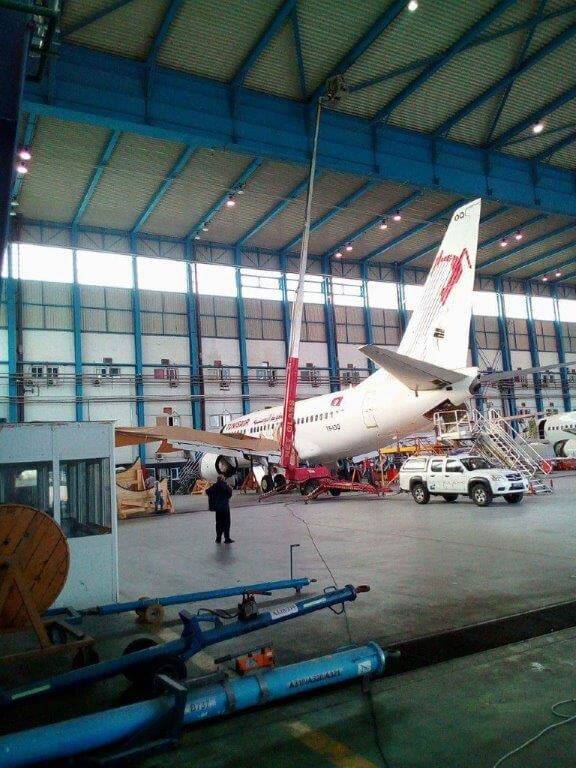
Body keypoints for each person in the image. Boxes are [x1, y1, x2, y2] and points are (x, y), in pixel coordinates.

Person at [206, 475, 234, 544]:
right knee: (226, 523)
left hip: (218, 508)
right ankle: (227, 538)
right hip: (225, 507)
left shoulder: (214, 486)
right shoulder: (225, 485)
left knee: (218, 523)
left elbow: (207, 491)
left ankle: (218, 539)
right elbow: (230, 493)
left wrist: (214, 497)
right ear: (222, 479)